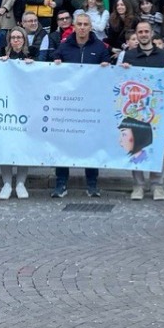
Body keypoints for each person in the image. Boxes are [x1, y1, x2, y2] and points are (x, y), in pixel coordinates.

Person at [50, 12, 111, 197]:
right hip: (68, 105)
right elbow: (52, 71)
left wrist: (108, 67)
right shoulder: (63, 47)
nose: (83, 27)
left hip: (90, 105)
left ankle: (92, 184)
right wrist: (56, 64)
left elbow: (108, 75)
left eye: (86, 24)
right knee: (63, 144)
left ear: (90, 27)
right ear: (73, 26)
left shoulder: (100, 48)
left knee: (91, 144)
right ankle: (61, 184)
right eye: (79, 24)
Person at [120, 20, 164, 201]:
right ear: (136, 34)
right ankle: (138, 185)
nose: (143, 34)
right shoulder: (129, 56)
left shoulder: (163, 55)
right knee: (135, 146)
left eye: (146, 31)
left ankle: (157, 185)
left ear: (151, 33)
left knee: (157, 146)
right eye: (140, 32)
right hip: (135, 109)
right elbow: (122, 82)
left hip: (156, 110)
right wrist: (123, 71)